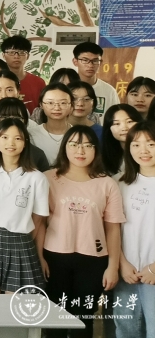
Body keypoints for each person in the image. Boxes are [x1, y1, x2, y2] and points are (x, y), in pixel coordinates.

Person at [43, 125, 124, 336]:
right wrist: (38, 257)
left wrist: (112, 266)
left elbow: (113, 229)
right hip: (54, 257)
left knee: (83, 319)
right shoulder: (48, 178)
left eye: (88, 146)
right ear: (64, 147)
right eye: (74, 145)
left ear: (96, 149)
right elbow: (39, 223)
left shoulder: (107, 183)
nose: (81, 151)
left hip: (93, 261)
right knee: (54, 320)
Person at [0, 118, 49, 294]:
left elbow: (39, 217)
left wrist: (23, 239)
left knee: (15, 304)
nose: (10, 143)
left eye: (17, 138)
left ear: (25, 142)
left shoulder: (37, 178)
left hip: (22, 242)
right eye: (4, 137)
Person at [113, 119, 155, 336]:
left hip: (153, 272)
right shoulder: (119, 183)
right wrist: (122, 263)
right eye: (136, 144)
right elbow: (112, 229)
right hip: (126, 273)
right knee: (126, 330)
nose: (143, 151)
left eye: (151, 144)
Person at [0, 35, 45, 113]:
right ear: (3, 55)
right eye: (11, 52)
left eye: (21, 52)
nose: (16, 56)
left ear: (28, 56)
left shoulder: (39, 83)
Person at [30, 83, 74, 158]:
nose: (57, 108)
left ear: (71, 105)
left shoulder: (78, 135)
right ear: (41, 105)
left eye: (63, 103)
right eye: (50, 103)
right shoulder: (31, 134)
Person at [101, 105, 140, 178]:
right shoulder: (104, 157)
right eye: (116, 123)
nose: (124, 128)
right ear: (109, 129)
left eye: (129, 121)